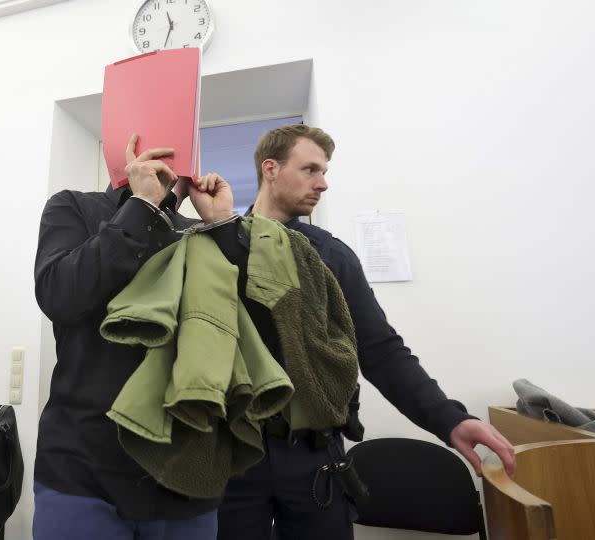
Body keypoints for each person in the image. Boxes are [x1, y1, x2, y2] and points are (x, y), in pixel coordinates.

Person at [215, 124, 516, 539]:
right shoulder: (219, 249)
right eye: (310, 169)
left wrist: (449, 419)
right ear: (270, 168)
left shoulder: (332, 258)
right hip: (235, 454)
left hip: (313, 458)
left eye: (324, 171)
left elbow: (380, 350)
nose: (323, 183)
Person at [33, 134, 239, 539]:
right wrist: (141, 207)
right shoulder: (74, 206)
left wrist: (225, 230)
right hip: (83, 471)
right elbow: (60, 295)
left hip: (185, 473)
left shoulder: (203, 231)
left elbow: (241, 334)